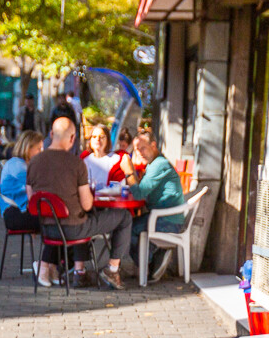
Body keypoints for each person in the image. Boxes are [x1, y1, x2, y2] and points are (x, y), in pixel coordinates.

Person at [28, 117, 132, 290]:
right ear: (72, 138)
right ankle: (112, 269)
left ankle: (79, 271)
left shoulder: (34, 162)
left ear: (51, 134)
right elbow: (87, 204)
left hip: (46, 228)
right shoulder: (77, 163)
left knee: (83, 216)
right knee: (124, 217)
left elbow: (32, 199)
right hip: (73, 230)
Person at [0, 131, 64, 286]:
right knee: (55, 222)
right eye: (38, 149)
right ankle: (45, 264)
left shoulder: (25, 165)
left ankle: (52, 265)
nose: (41, 152)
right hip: (14, 214)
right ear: (28, 148)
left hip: (23, 212)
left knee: (58, 220)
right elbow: (38, 185)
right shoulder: (17, 165)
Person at [120, 133, 186, 280]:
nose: (139, 153)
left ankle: (148, 265)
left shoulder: (159, 165)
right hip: (166, 217)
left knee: (127, 228)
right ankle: (153, 258)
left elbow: (138, 194)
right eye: (136, 150)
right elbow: (142, 190)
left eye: (142, 148)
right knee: (131, 224)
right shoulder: (154, 164)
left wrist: (128, 172)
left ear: (153, 145)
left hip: (168, 221)